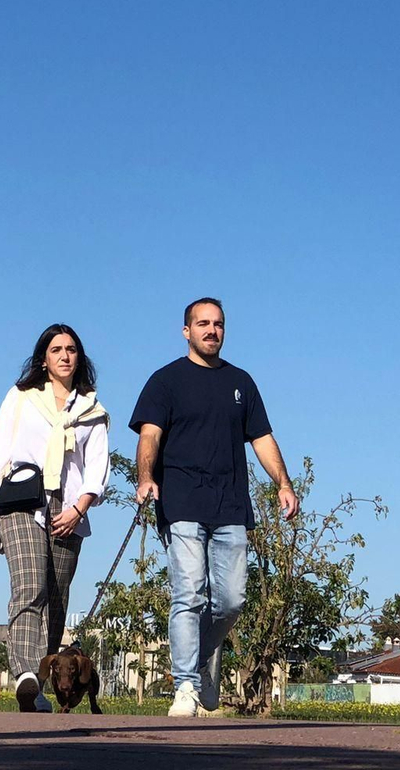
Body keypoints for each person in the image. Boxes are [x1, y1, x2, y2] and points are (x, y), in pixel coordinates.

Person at [129, 297, 298, 718]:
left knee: (231, 600)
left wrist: (283, 483)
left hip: (231, 505)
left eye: (218, 324)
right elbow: (150, 435)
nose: (211, 330)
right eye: (202, 323)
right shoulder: (165, 381)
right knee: (188, 593)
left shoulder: (241, 382)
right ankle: (185, 685)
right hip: (181, 500)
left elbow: (262, 438)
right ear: (186, 331)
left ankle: (200, 659)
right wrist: (146, 477)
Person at [0, 323, 109, 713]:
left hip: (70, 508)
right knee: (30, 586)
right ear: (44, 360)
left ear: (79, 358)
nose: (65, 356)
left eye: (71, 349)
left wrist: (79, 509)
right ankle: (25, 675)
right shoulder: (21, 397)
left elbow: (98, 467)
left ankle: (41, 685)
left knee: (56, 599)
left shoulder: (93, 411)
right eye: (56, 350)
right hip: (22, 500)